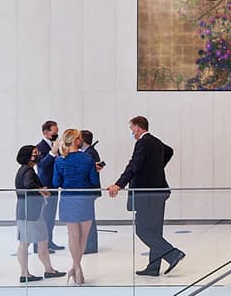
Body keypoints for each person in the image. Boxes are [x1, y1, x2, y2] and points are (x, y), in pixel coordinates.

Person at [108, 116, 185, 276]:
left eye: (131, 129)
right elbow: (169, 151)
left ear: (138, 127)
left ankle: (172, 254)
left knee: (142, 229)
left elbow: (133, 166)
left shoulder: (142, 143)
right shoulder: (155, 141)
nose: (131, 132)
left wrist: (119, 184)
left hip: (147, 194)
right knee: (154, 231)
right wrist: (155, 167)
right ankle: (153, 267)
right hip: (159, 191)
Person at [53, 129, 100, 285]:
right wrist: (95, 170)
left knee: (73, 236)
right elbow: (93, 181)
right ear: (74, 140)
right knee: (84, 236)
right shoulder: (87, 158)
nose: (82, 140)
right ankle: (76, 268)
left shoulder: (59, 160)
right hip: (85, 199)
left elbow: (56, 183)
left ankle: (76, 268)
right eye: (80, 137)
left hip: (68, 199)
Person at [15, 145, 66, 283]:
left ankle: (47, 270)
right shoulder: (28, 171)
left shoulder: (24, 170)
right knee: (31, 242)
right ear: (29, 157)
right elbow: (28, 185)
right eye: (35, 153)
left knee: (36, 241)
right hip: (31, 213)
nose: (38, 156)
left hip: (26, 211)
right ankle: (29, 273)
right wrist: (42, 190)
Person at [34, 120, 64, 252]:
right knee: (43, 216)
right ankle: (39, 245)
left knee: (51, 216)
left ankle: (49, 241)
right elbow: (42, 165)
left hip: (53, 186)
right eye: (54, 132)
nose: (56, 135)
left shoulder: (54, 146)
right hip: (45, 186)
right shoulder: (40, 147)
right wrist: (52, 152)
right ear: (46, 132)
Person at [80, 130, 102, 254]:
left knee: (89, 218)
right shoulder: (87, 152)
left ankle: (90, 245)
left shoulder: (90, 153)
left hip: (89, 190)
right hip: (88, 190)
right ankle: (88, 244)